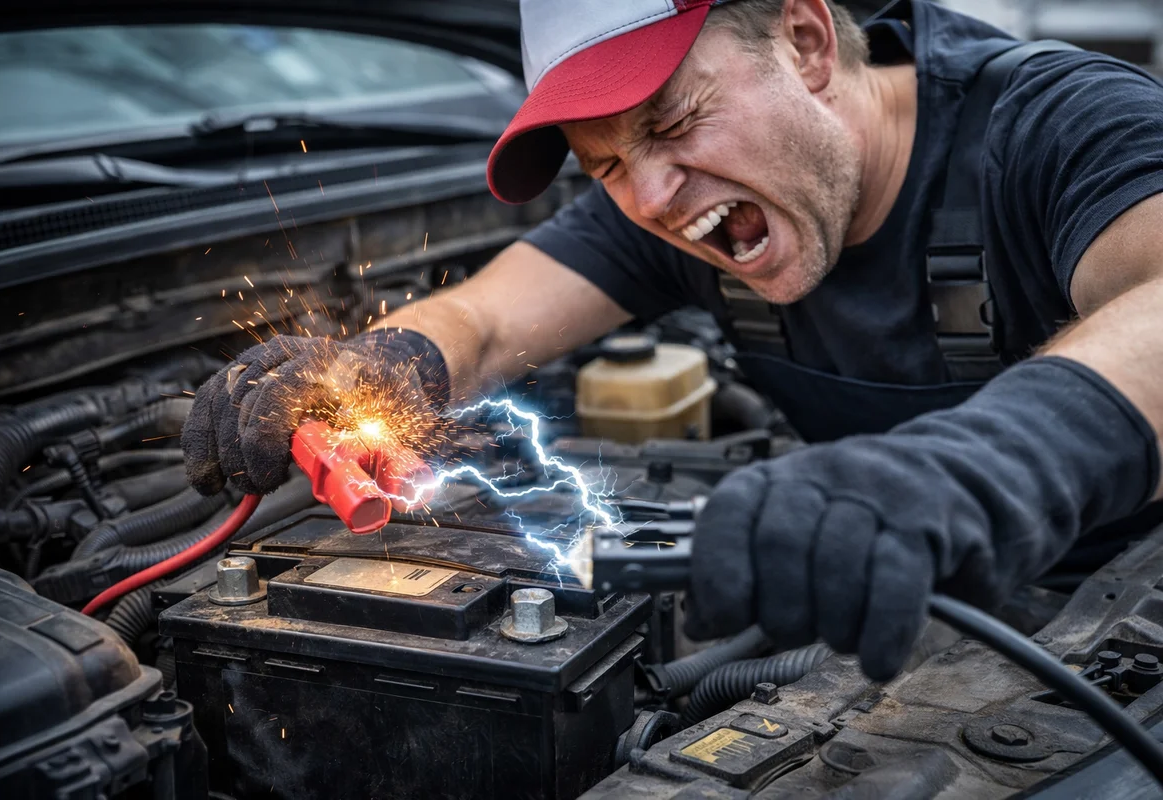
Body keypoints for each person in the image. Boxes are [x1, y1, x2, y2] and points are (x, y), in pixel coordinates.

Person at [182, 0, 1163, 681]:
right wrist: (367, 370)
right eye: (606, 163)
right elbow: (476, 324)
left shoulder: (1059, 128)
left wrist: (973, 468)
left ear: (808, 41)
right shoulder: (681, 206)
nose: (650, 197)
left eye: (677, 119)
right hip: (895, 613)